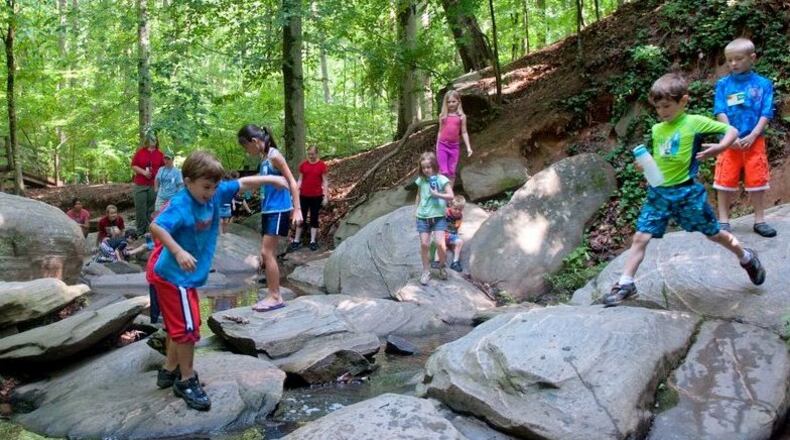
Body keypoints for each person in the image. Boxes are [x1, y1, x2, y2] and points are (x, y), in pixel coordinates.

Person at [603, 73, 766, 307]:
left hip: (687, 193)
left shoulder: (694, 122)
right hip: (659, 192)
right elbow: (661, 160)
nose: (662, 111)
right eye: (658, 107)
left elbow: (732, 132)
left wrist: (718, 148)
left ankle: (746, 257)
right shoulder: (658, 129)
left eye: (667, 106)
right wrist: (644, 166)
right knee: (641, 237)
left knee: (714, 234)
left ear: (683, 101)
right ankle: (626, 284)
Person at [147, 150, 287, 410]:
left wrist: (272, 180)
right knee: (187, 329)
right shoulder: (181, 203)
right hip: (172, 276)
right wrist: (178, 251)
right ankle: (186, 380)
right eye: (205, 187)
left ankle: (169, 370)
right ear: (187, 181)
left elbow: (243, 183)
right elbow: (157, 226)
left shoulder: (215, 194)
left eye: (213, 187)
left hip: (185, 278)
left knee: (184, 325)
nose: (210, 193)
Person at [712, 37, 776, 237]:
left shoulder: (763, 84)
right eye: (729, 60)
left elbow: (766, 111)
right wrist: (731, 135)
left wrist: (755, 134)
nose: (733, 63)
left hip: (755, 142)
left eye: (738, 59)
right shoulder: (723, 84)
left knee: (757, 180)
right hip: (729, 142)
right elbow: (720, 110)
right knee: (724, 180)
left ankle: (759, 220)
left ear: (752, 58)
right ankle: (723, 221)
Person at [237, 124, 302, 312]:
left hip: (279, 209)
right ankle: (272, 294)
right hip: (269, 210)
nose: (246, 151)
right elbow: (261, 182)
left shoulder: (274, 155)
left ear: (255, 141)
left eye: (246, 147)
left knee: (267, 253)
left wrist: (297, 209)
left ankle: (275, 296)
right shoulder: (265, 158)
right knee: (267, 254)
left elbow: (291, 180)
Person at [415, 151, 454, 286]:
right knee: (424, 244)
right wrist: (415, 210)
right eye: (424, 167)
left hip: (438, 216)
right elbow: (419, 195)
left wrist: (437, 194)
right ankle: (426, 270)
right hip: (423, 216)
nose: (426, 170)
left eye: (429, 167)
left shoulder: (441, 179)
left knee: (439, 243)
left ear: (434, 166)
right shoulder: (421, 180)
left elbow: (451, 196)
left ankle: (442, 266)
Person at [291, 146, 329, 251]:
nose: (311, 156)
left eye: (312, 154)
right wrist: (295, 192)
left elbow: (325, 182)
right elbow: (300, 180)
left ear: (317, 153)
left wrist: (325, 196)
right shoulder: (303, 165)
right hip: (303, 195)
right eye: (309, 154)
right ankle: (296, 240)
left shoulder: (322, 166)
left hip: (316, 196)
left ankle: (312, 241)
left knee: (314, 217)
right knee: (300, 217)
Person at [435, 90, 473, 186]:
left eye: (453, 101)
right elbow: (440, 131)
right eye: (448, 102)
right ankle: (440, 192)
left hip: (454, 147)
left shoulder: (461, 117)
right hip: (442, 145)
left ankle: (449, 194)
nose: (451, 104)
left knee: (451, 171)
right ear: (445, 103)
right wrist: (437, 145)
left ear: (458, 102)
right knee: (443, 170)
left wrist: (468, 147)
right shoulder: (442, 116)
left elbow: (464, 132)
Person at [131, 133, 165, 233]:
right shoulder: (140, 152)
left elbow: (163, 169)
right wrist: (144, 172)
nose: (153, 141)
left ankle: (150, 230)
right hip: (140, 184)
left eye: (154, 139)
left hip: (154, 184)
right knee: (140, 208)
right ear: (147, 140)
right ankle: (140, 231)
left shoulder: (160, 154)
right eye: (151, 139)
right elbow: (133, 165)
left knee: (151, 209)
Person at [444, 195, 466, 272]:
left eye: (459, 209)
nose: (457, 211)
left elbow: (456, 226)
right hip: (443, 234)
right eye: (455, 209)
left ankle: (455, 262)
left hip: (451, 235)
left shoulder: (460, 216)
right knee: (441, 246)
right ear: (450, 206)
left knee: (460, 242)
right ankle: (437, 262)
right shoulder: (446, 213)